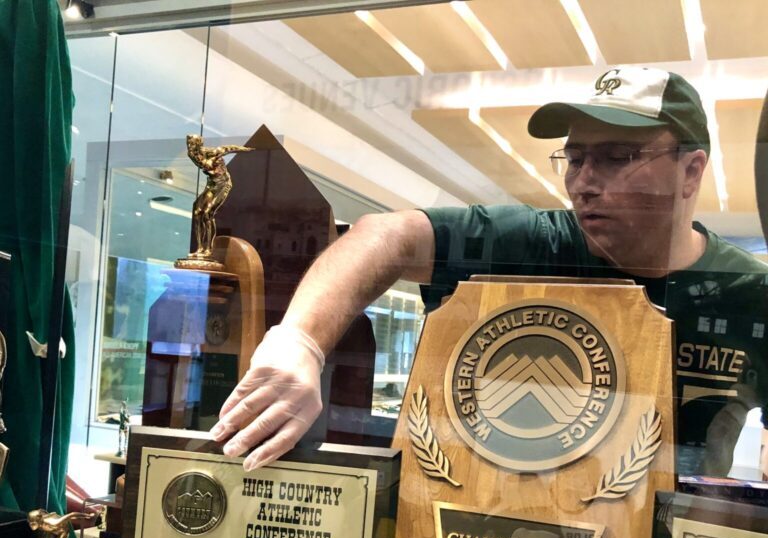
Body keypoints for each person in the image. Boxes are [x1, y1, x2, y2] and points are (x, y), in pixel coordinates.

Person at [211, 67, 768, 477]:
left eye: (618, 158)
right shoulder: (537, 243)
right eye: (575, 159)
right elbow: (387, 235)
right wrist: (299, 342)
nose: (584, 182)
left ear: (691, 171)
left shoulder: (749, 294)